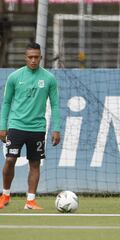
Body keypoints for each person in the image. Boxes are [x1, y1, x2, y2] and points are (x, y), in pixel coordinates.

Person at [0, 42, 61, 210]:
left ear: (41, 57)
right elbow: (6, 103)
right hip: (16, 126)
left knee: (35, 164)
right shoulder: (14, 77)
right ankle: (5, 195)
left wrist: (57, 128)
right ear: (25, 58)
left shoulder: (49, 78)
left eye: (36, 57)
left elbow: (55, 105)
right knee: (10, 160)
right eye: (30, 57)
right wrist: (2, 126)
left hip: (37, 128)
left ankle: (30, 201)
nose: (33, 60)